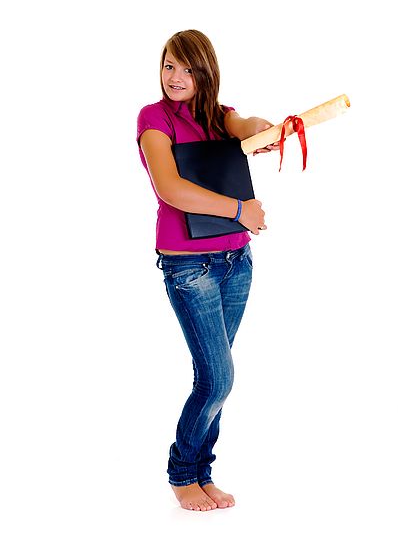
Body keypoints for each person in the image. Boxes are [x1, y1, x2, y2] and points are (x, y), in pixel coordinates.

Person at [136, 30, 280, 511]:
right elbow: (171, 189)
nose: (175, 77)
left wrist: (268, 130)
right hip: (188, 265)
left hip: (236, 261)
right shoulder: (153, 119)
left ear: (206, 72)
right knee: (218, 379)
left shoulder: (220, 116)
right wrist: (241, 210)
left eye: (187, 68)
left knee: (217, 375)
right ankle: (182, 472)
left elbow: (247, 126)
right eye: (168, 66)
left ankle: (202, 471)